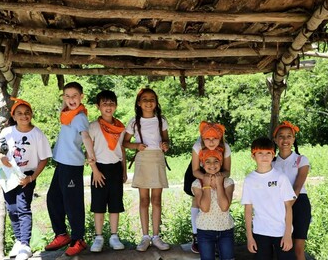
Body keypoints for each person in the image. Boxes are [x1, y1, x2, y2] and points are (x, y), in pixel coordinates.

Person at [0, 97, 51, 260]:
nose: (23, 116)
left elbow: (44, 158)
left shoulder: (37, 134)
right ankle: (18, 240)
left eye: (27, 113)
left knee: (23, 207)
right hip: (7, 175)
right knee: (11, 208)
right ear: (13, 115)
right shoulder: (7, 132)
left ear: (31, 114)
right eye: (19, 113)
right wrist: (1, 156)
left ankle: (25, 244)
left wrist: (31, 178)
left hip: (25, 175)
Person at [45, 82, 95, 256]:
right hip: (62, 163)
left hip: (72, 165)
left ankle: (78, 239)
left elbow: (86, 137)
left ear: (81, 97)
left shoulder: (79, 116)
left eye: (75, 96)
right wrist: (64, 101)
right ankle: (61, 235)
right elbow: (62, 109)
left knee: (72, 203)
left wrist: (92, 159)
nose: (71, 99)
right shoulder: (67, 114)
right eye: (67, 96)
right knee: (53, 199)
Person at [122, 88, 171, 252]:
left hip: (157, 159)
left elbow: (166, 140)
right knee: (144, 200)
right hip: (142, 160)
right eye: (144, 99)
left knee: (156, 199)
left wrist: (166, 145)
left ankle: (156, 236)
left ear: (156, 102)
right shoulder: (134, 122)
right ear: (138, 103)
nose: (148, 102)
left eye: (152, 99)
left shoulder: (161, 120)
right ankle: (145, 236)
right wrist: (136, 146)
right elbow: (125, 142)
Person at [241, 137, 296, 260]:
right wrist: (249, 237)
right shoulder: (249, 180)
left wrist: (288, 234)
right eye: (260, 153)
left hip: (281, 232)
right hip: (260, 232)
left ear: (273, 155)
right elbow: (248, 210)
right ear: (253, 156)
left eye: (268, 153)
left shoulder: (281, 178)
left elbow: (288, 207)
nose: (264, 157)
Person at [88, 90, 128, 253]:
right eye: (104, 103)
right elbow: (89, 151)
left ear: (116, 106)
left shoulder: (120, 127)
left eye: (111, 103)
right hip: (99, 169)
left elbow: (122, 150)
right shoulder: (93, 126)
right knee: (98, 205)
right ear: (98, 106)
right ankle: (98, 237)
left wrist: (124, 171)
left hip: (116, 168)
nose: (108, 107)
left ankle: (114, 236)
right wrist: (95, 170)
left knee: (115, 204)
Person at [183, 121, 232, 253]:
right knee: (197, 199)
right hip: (199, 171)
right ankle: (196, 235)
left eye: (215, 139)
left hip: (217, 170)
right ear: (202, 138)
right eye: (207, 139)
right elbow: (195, 170)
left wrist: (218, 177)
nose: (211, 142)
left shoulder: (225, 147)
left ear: (220, 138)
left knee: (218, 197)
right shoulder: (197, 146)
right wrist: (206, 180)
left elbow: (227, 170)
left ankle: (217, 232)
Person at [272, 121, 311, 260]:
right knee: (282, 247)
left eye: (289, 136)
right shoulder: (271, 163)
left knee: (298, 249)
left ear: (293, 139)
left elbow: (297, 186)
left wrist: (286, 208)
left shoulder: (301, 160)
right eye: (281, 136)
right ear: (275, 140)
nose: (285, 140)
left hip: (298, 203)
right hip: (278, 205)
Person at [191, 148, 235, 260]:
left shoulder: (228, 182)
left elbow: (224, 207)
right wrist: (206, 185)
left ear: (221, 162)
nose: (212, 164)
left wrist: (219, 184)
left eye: (216, 161)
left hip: (225, 229)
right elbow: (205, 208)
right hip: (205, 231)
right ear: (202, 164)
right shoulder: (197, 184)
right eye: (208, 161)